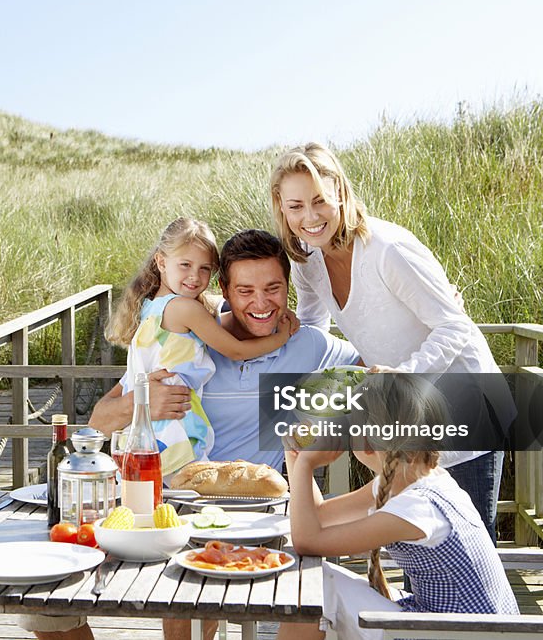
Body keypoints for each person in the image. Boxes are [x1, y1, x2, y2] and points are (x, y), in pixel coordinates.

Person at [17, 229, 360, 640]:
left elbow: (388, 382)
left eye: (274, 288)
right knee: (45, 603)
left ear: (288, 287)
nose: (262, 303)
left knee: (296, 601)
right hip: (171, 503)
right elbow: (99, 421)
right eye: (246, 290)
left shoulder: (307, 346)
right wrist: (142, 404)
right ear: (224, 290)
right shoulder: (189, 340)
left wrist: (334, 423)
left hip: (257, 513)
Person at [269, 142, 513, 542]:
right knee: (419, 543)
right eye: (296, 206)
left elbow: (456, 326)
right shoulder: (308, 261)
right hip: (407, 415)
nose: (310, 218)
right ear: (281, 205)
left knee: (466, 542)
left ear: (341, 194)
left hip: (466, 409)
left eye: (320, 201)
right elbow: (315, 326)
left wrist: (400, 379)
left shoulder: (387, 249)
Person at [278, 374, 518, 640]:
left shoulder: (417, 507)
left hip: (461, 633)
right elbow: (321, 516)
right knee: (317, 583)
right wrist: (295, 456)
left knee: (315, 585)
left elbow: (307, 541)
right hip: (450, 626)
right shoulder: (417, 480)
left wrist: (305, 466)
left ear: (367, 442)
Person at [105, 217, 298, 478]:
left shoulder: (153, 307)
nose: (195, 277)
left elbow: (211, 307)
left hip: (150, 426)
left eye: (205, 269)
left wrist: (250, 304)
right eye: (185, 265)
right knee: (186, 491)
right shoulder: (185, 309)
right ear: (161, 262)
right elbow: (236, 351)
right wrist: (281, 338)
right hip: (173, 425)